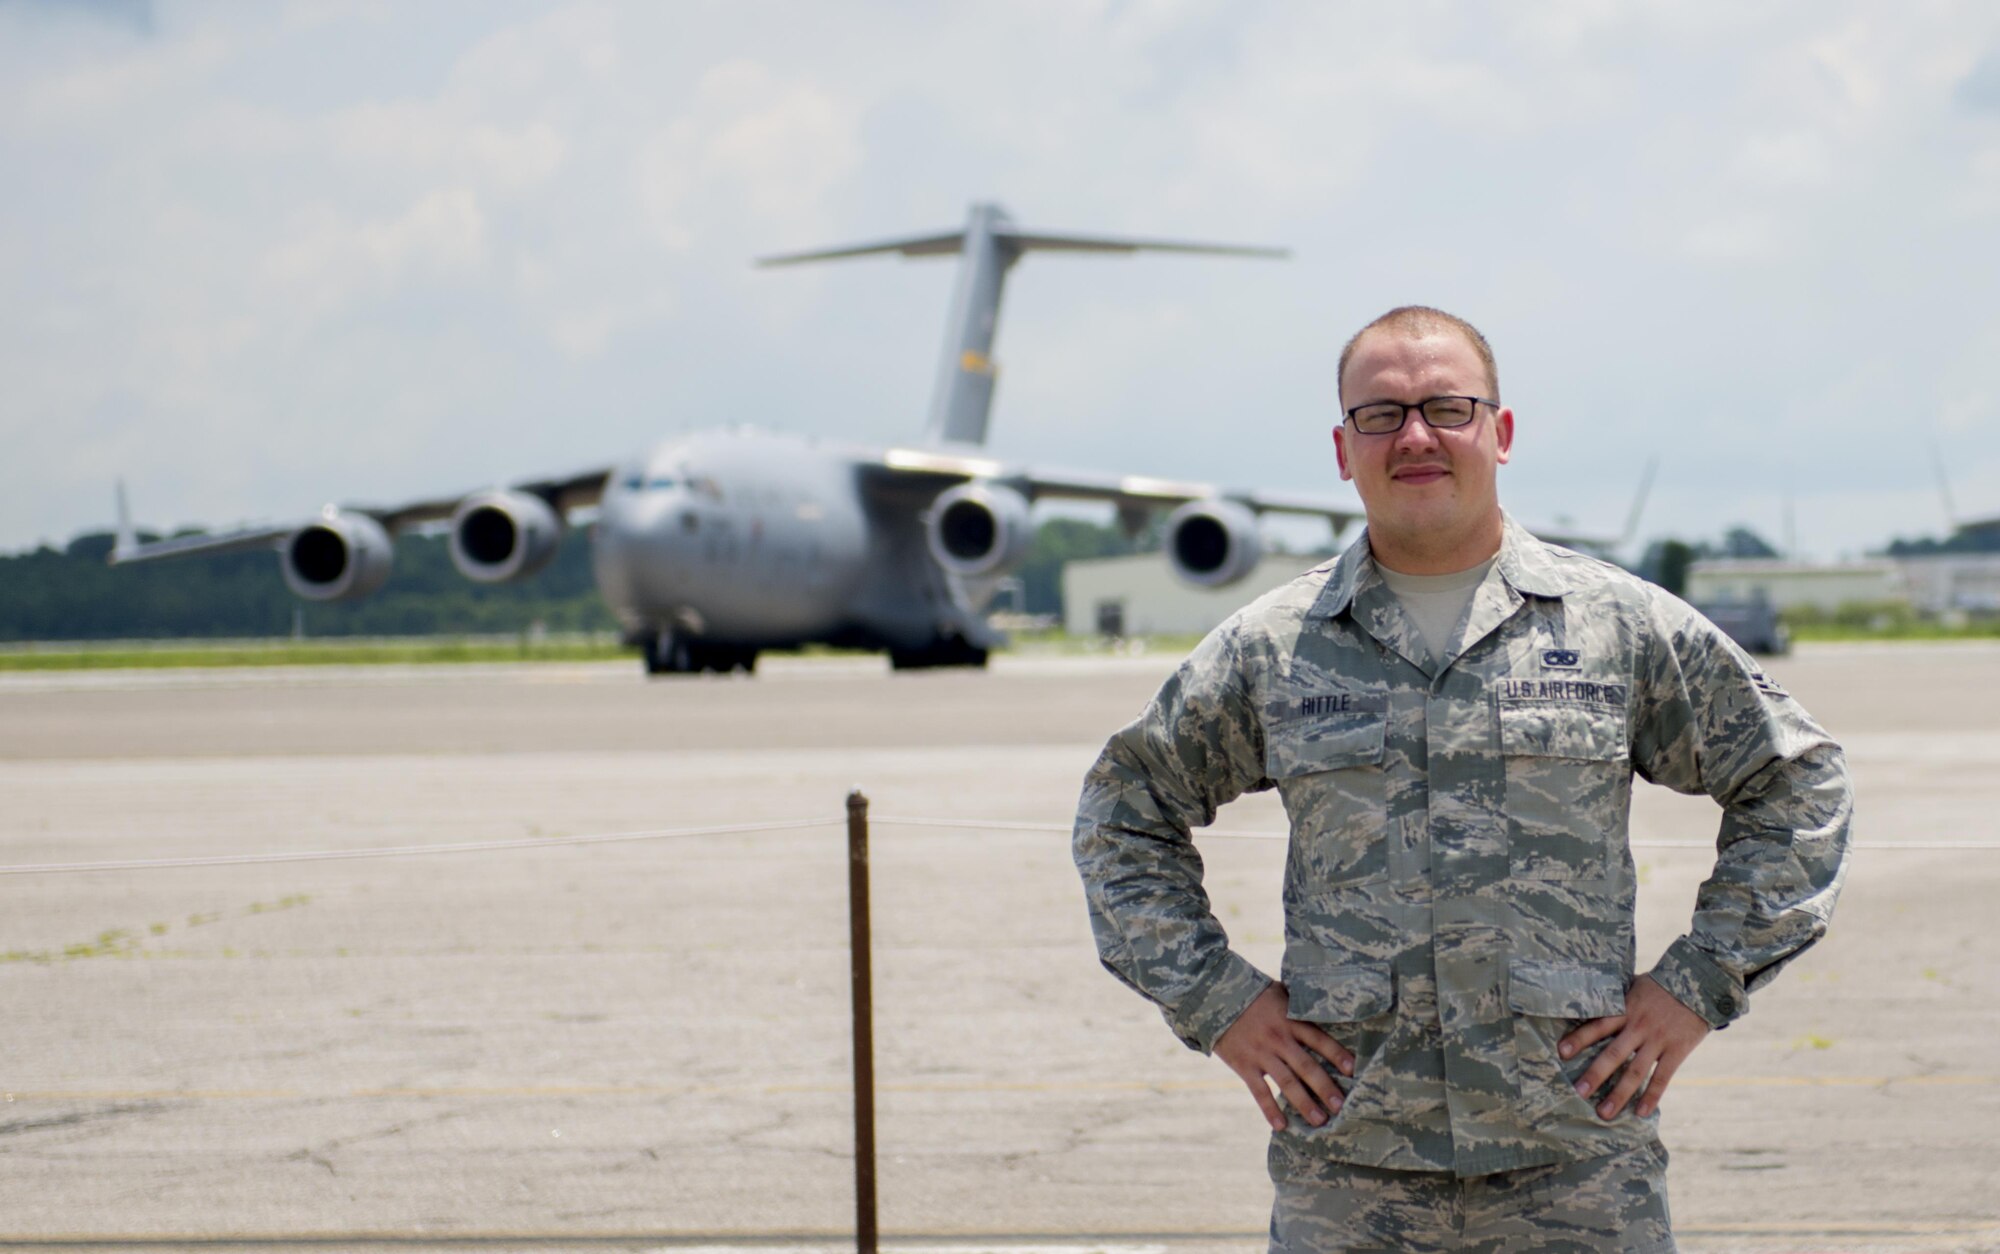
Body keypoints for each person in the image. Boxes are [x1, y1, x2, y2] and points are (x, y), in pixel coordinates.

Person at [1071, 306, 1853, 1252]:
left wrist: (1697, 985)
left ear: (1501, 432)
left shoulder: (1615, 628)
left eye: (1447, 406)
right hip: (1350, 1177)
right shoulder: (1273, 651)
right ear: (1341, 447)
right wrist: (1220, 1003)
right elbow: (1125, 813)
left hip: (1575, 1170)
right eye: (1381, 414)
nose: (1415, 437)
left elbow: (1798, 781)